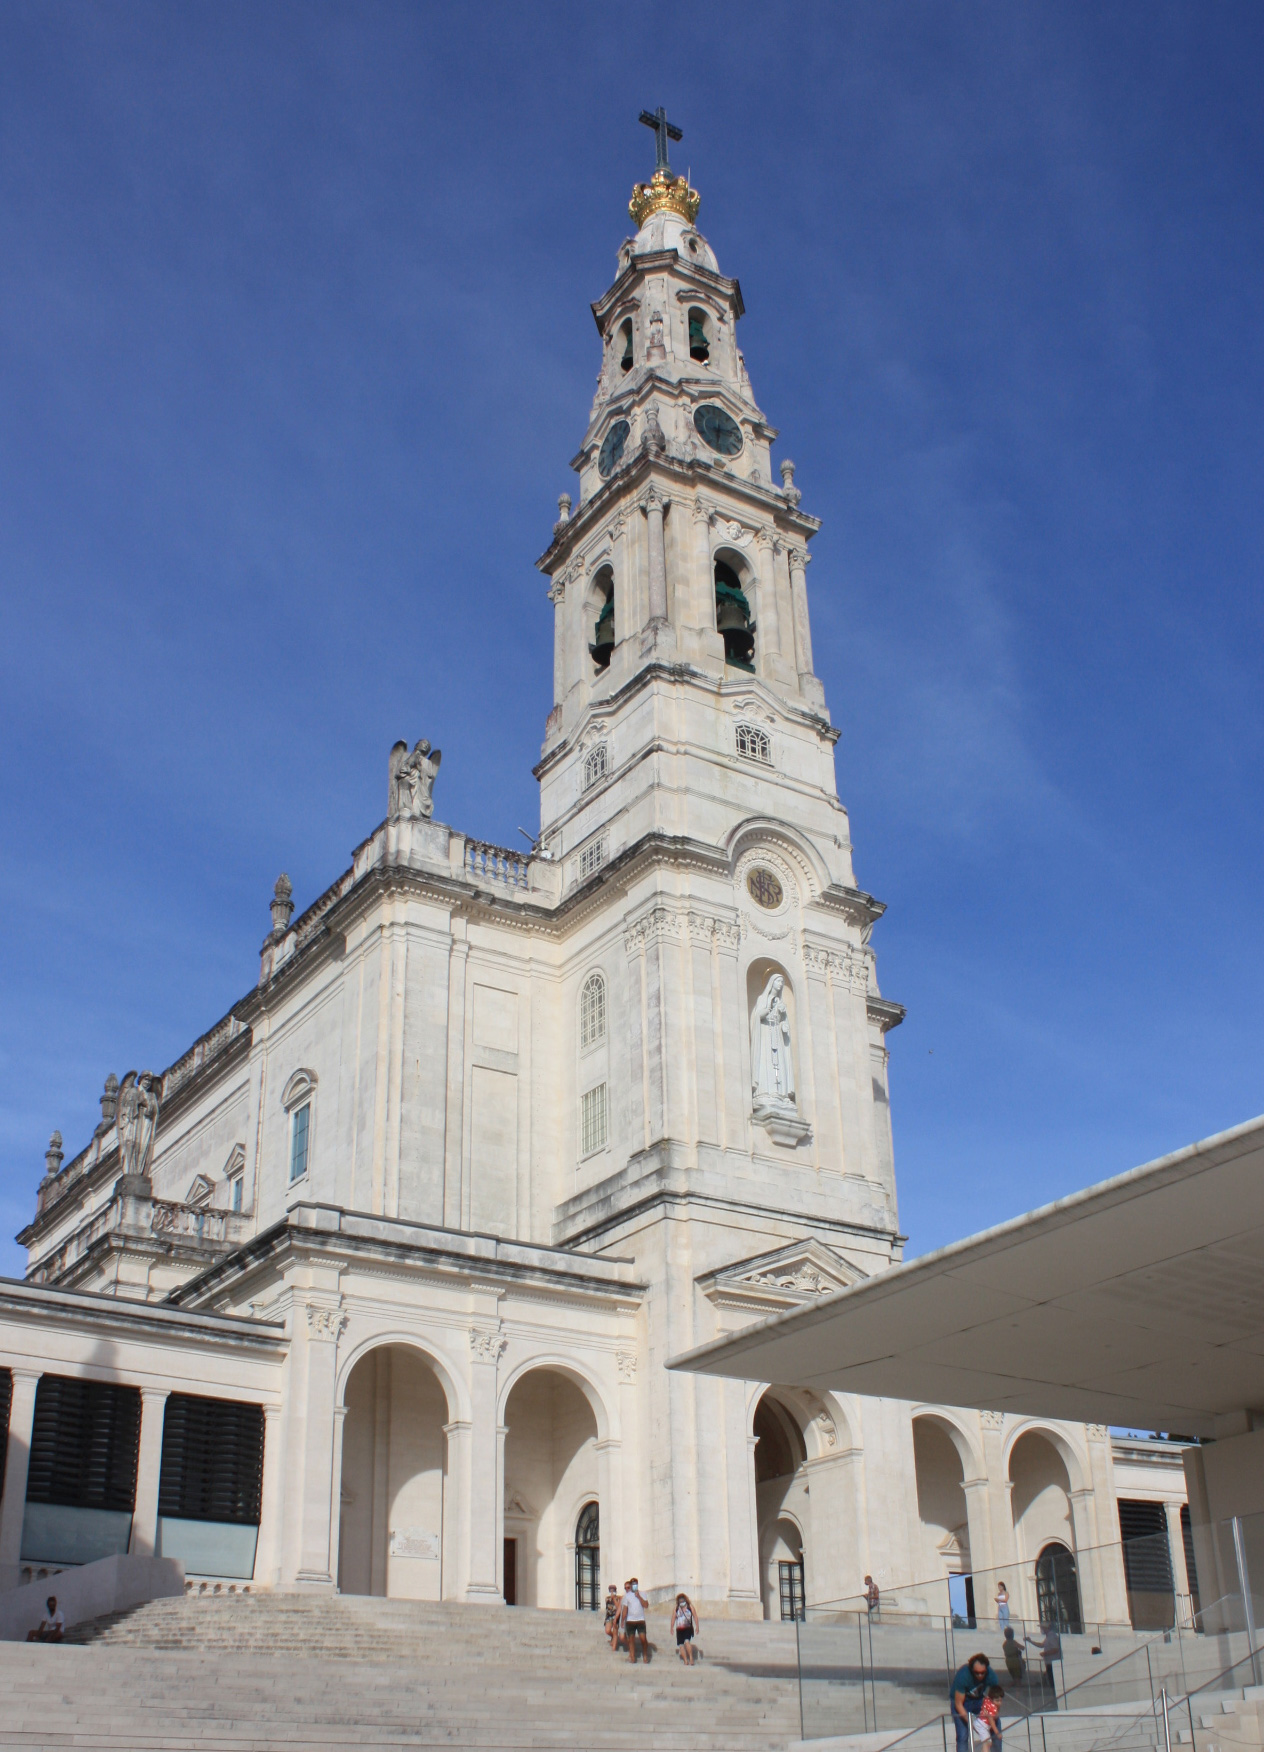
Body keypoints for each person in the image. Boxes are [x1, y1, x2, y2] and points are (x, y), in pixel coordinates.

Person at [950, 1653, 1002, 1752]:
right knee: (963, 1735)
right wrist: (973, 1724)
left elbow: (996, 1699)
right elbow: (958, 1704)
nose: (980, 1675)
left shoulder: (992, 1676)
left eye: (983, 1673)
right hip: (962, 1702)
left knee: (996, 1726)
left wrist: (994, 1714)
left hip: (978, 1700)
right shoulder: (963, 1676)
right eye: (976, 1673)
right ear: (971, 1670)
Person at [1025, 1623, 1061, 1708]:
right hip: (1049, 1663)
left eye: (1042, 1628)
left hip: (1053, 1663)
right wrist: (1030, 1641)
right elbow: (1041, 1645)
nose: (1041, 1629)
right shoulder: (1049, 1637)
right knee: (1052, 1683)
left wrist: (1045, 1653)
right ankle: (1055, 1700)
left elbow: (1056, 1649)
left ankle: (1056, 1701)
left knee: (1054, 1684)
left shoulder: (1052, 1637)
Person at [623, 1578, 650, 1664]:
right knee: (631, 1639)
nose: (634, 1585)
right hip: (630, 1621)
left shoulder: (643, 1593)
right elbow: (625, 1609)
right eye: (633, 1584)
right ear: (631, 1585)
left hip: (640, 1620)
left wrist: (638, 1596)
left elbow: (646, 1605)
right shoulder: (627, 1596)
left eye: (636, 1584)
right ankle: (632, 1657)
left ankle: (645, 1655)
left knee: (643, 1638)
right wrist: (622, 1621)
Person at [673, 1592, 699, 1665]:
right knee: (681, 1645)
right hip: (679, 1629)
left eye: (682, 1600)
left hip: (687, 1627)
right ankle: (686, 1660)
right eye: (680, 1601)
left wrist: (697, 1626)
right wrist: (671, 1627)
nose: (681, 1602)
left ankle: (690, 1658)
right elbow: (673, 1618)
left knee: (686, 1641)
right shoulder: (676, 1608)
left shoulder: (690, 1607)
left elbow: (695, 1616)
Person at [603, 1583, 620, 1649]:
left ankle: (614, 1646)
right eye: (611, 1590)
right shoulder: (607, 1598)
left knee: (615, 1630)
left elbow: (618, 1606)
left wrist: (614, 1599)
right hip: (609, 1616)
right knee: (607, 1630)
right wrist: (612, 1598)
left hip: (616, 1616)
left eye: (613, 1590)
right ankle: (613, 1636)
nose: (612, 1592)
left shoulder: (618, 1598)